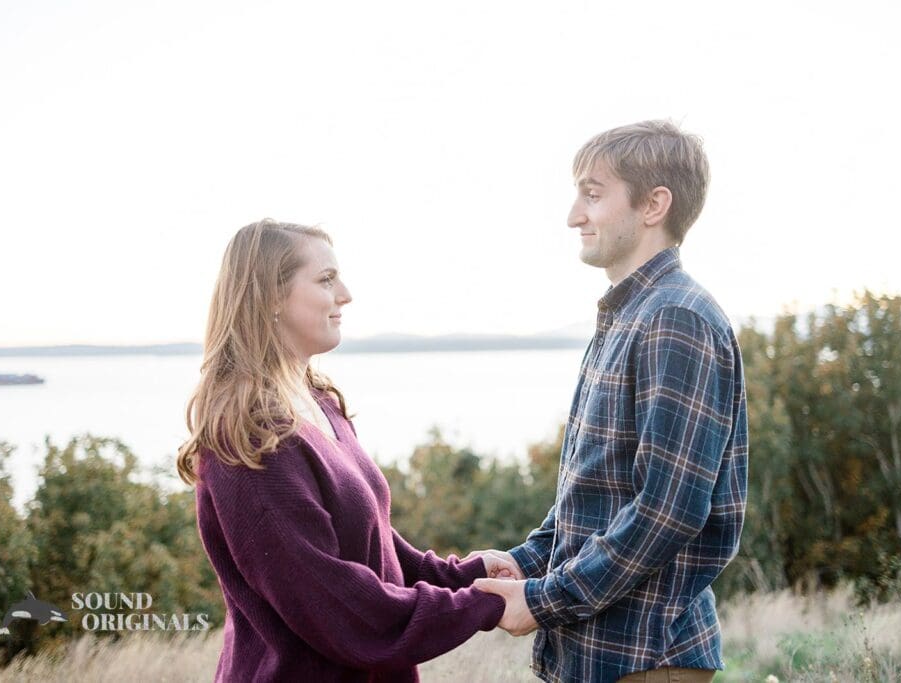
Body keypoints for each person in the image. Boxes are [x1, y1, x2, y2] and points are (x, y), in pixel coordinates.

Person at [470, 121, 749, 683]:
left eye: (592, 195)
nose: (574, 214)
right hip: (600, 656)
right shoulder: (628, 315)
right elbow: (595, 490)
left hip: (645, 657)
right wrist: (525, 562)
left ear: (653, 205)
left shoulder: (676, 319)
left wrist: (543, 599)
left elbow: (666, 511)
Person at [176, 219, 514, 682]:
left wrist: (467, 575)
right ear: (271, 297)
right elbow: (339, 607)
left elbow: (370, 545)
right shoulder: (248, 438)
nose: (346, 294)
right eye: (326, 279)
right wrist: (484, 604)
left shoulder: (319, 402)